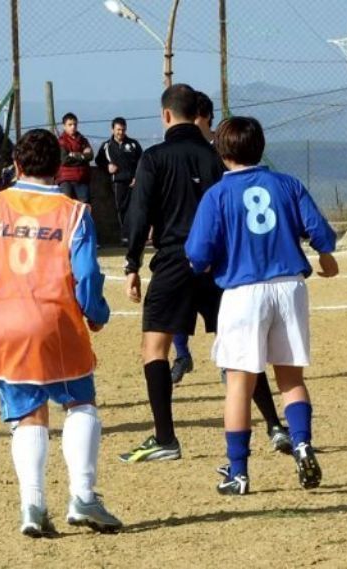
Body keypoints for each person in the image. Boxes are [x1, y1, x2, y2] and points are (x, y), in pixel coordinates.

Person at [0, 129, 123, 537]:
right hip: (54, 320)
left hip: (2, 324)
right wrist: (95, 312)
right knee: (80, 403)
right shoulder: (74, 213)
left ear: (17, 167)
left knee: (28, 414)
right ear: (59, 168)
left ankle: (33, 507)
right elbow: (87, 274)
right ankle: (83, 495)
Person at [119, 85, 290, 465]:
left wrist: (131, 265)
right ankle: (276, 425)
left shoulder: (154, 157)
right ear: (197, 114)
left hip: (173, 261)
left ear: (166, 115)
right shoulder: (217, 157)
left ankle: (165, 438)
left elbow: (138, 211)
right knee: (239, 350)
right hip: (218, 264)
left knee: (154, 349)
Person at [185, 116, 338, 495]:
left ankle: (238, 472)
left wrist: (204, 263)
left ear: (221, 152)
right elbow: (320, 232)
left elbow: (198, 253)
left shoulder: (218, 195)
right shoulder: (287, 183)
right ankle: (302, 444)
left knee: (239, 383)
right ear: (261, 146)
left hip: (243, 292)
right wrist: (325, 255)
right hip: (289, 286)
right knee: (291, 379)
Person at [170, 91, 216, 383]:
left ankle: (227, 364)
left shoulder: (220, 149)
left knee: (221, 309)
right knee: (177, 306)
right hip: (183, 241)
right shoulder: (179, 150)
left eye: (193, 118)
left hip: (214, 243)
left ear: (205, 118)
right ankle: (182, 355)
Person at [94, 117, 142, 246]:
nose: (121, 132)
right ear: (113, 129)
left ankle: (134, 235)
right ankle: (125, 237)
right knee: (121, 209)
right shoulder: (106, 146)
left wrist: (137, 177)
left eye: (123, 129)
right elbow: (99, 161)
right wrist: (107, 167)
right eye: (118, 129)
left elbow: (142, 162)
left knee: (135, 209)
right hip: (117, 183)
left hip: (133, 182)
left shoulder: (133, 144)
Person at [55, 113, 94, 204]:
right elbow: (64, 160)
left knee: (84, 206)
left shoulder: (83, 140)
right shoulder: (61, 142)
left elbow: (90, 156)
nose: (73, 127)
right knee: (66, 204)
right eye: (70, 125)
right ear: (64, 126)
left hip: (82, 178)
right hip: (66, 179)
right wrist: (82, 156)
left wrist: (74, 155)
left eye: (75, 124)